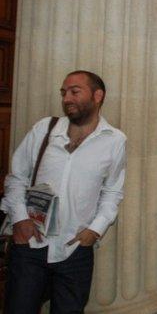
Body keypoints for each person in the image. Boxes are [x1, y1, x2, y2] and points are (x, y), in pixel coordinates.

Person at [1, 70, 126, 313]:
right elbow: (16, 178)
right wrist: (20, 220)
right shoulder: (44, 129)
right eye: (63, 93)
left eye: (74, 92)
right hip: (30, 244)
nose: (66, 98)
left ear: (97, 95)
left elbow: (112, 191)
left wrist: (95, 230)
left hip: (75, 248)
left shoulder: (115, 140)